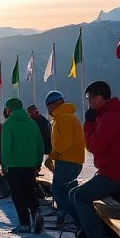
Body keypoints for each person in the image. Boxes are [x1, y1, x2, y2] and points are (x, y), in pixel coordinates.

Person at [66, 81, 120, 238]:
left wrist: (89, 125)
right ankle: (88, 232)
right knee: (73, 193)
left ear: (98, 97)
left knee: (81, 196)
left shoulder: (110, 117)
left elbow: (94, 146)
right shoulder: (107, 115)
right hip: (113, 171)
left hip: (117, 173)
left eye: (89, 97)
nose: (88, 101)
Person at [1, 97, 46, 233]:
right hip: (30, 165)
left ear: (10, 109)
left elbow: (6, 147)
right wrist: (38, 162)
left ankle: (25, 223)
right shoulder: (32, 123)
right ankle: (36, 211)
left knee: (17, 195)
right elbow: (40, 145)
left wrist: (4, 164)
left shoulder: (8, 124)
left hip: (14, 165)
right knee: (29, 190)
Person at [44, 90, 86, 228]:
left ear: (54, 104)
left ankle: (74, 217)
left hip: (68, 161)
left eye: (48, 105)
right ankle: (68, 215)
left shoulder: (63, 117)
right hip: (72, 159)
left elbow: (64, 142)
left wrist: (52, 156)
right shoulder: (65, 116)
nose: (48, 109)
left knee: (58, 189)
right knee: (68, 190)